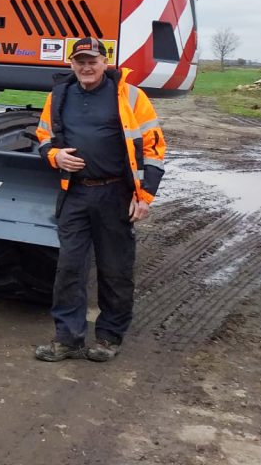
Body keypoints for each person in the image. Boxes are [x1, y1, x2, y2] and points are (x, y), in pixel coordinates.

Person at [33, 37, 166, 362]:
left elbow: (154, 149)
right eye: (80, 60)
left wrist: (145, 196)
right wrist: (55, 156)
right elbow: (43, 136)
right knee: (69, 269)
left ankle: (109, 337)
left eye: (92, 60)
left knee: (115, 269)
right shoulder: (59, 95)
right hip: (75, 194)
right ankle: (68, 339)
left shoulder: (131, 96)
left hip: (115, 194)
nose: (86, 66)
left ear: (105, 63)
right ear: (71, 64)